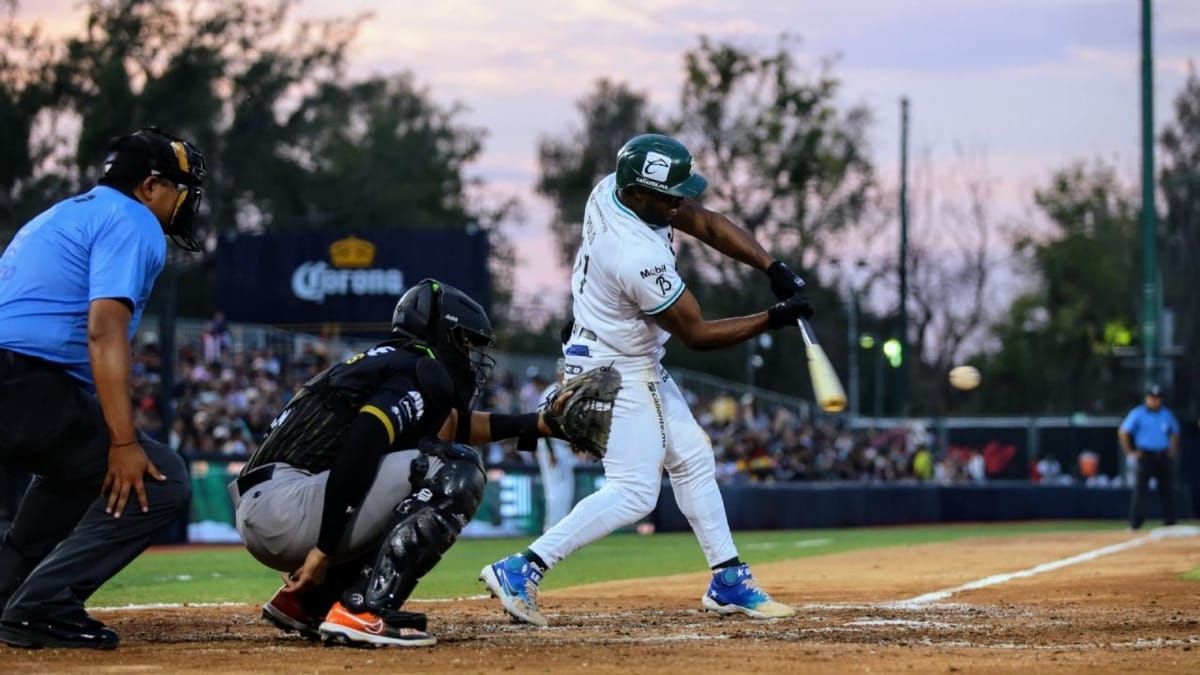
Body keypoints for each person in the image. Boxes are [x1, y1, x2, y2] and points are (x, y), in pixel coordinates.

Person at [481, 132, 813, 626]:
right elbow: (696, 333)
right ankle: (522, 568)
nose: (679, 203)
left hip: (619, 354)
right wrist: (773, 317)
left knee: (694, 457)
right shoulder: (635, 253)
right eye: (668, 196)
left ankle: (727, 578)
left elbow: (702, 221)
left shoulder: (611, 188)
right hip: (614, 371)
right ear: (637, 193)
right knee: (635, 492)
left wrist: (772, 266)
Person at [238, 279, 575, 648]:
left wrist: (539, 425)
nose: (473, 356)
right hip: (288, 506)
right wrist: (324, 549)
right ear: (445, 334)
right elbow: (364, 441)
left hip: (273, 502)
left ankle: (310, 602)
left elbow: (453, 426)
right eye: (468, 342)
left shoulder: (390, 362)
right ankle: (365, 610)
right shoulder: (418, 367)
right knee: (454, 468)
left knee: (422, 466)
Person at [0, 127, 206, 649]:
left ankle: (10, 589)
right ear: (151, 186)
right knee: (160, 479)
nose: (185, 203)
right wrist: (123, 442)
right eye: (181, 190)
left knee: (74, 470)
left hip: (22, 381)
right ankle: (42, 605)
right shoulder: (133, 220)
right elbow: (104, 329)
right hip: (23, 381)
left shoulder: (62, 213)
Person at [1118, 384, 1181, 530]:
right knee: (1140, 490)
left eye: (1158, 398)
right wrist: (1130, 451)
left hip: (1163, 455)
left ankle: (1170, 522)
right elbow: (1123, 432)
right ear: (1147, 398)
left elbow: (1175, 432)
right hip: (1146, 455)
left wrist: (1172, 449)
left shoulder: (1166, 414)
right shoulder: (1138, 413)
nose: (1155, 401)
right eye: (1152, 398)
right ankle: (1135, 523)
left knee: (1166, 490)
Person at [534, 359, 578, 532]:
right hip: (551, 445)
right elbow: (540, 421)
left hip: (563, 447)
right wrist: (550, 451)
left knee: (566, 490)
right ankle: (551, 530)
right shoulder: (551, 391)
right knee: (555, 491)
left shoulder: (567, 390)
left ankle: (561, 530)